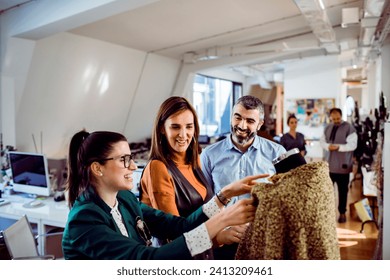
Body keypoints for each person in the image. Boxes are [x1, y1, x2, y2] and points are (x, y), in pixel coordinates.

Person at [62, 129, 266, 260]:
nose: (133, 166)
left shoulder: (124, 200)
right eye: (124, 160)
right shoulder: (84, 220)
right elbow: (148, 261)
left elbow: (180, 226)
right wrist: (222, 220)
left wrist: (224, 195)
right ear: (97, 168)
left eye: (131, 158)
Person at [140, 96, 248, 248]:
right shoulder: (157, 168)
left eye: (189, 127)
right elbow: (174, 235)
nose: (183, 134)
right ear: (162, 129)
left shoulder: (195, 161)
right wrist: (220, 238)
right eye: (175, 127)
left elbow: (206, 215)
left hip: (203, 252)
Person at [201, 95, 286, 259]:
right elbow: (206, 201)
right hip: (223, 241)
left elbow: (284, 202)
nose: (242, 125)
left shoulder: (277, 153)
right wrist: (221, 231)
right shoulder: (209, 155)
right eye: (237, 117)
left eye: (250, 121)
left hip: (264, 241)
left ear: (260, 124)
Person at [320, 108, 357, 223]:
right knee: (328, 191)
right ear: (330, 117)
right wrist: (327, 146)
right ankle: (328, 213)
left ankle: (342, 213)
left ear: (341, 116)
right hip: (329, 166)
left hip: (343, 166)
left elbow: (353, 145)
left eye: (338, 118)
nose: (336, 120)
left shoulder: (349, 128)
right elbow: (322, 142)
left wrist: (338, 147)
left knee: (342, 192)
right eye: (334, 118)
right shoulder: (327, 128)